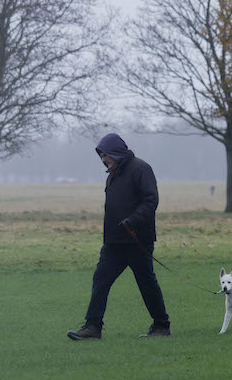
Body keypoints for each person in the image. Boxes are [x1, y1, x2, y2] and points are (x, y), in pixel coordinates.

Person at [67, 133, 171, 340]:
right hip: (114, 243)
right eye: (101, 156)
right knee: (101, 280)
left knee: (146, 283)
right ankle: (93, 327)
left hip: (138, 240)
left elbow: (151, 201)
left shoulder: (141, 169)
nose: (103, 159)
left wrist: (133, 220)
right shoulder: (112, 174)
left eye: (106, 155)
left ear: (116, 152)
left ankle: (161, 326)